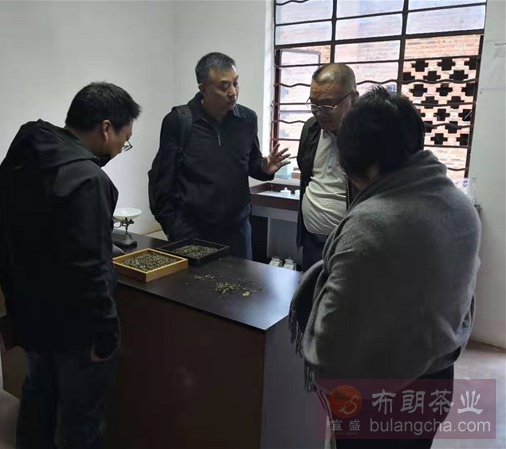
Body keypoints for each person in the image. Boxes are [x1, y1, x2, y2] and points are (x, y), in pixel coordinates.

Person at [293, 86, 480, 448]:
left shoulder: (371, 224)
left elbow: (332, 343)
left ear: (371, 165)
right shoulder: (461, 207)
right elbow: (464, 304)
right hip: (436, 380)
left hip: (374, 395)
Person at [0, 82, 141, 449]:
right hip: (75, 329)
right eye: (124, 140)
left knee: (37, 395)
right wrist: (106, 335)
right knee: (82, 420)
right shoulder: (89, 179)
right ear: (106, 128)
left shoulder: (27, 149)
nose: (120, 150)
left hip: (30, 311)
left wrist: (15, 298)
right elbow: (92, 269)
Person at [149, 52, 290, 259]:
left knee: (242, 280)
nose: (233, 92)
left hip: (238, 232)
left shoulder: (247, 119)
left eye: (236, 83)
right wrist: (176, 230)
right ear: (203, 89)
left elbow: (251, 163)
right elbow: (161, 184)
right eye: (224, 87)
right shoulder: (179, 121)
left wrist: (264, 168)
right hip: (192, 232)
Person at [296, 63, 358, 271]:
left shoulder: (367, 136)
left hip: (350, 245)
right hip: (312, 241)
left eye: (327, 106)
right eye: (314, 104)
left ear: (353, 98)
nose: (319, 113)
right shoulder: (311, 128)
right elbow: (306, 174)